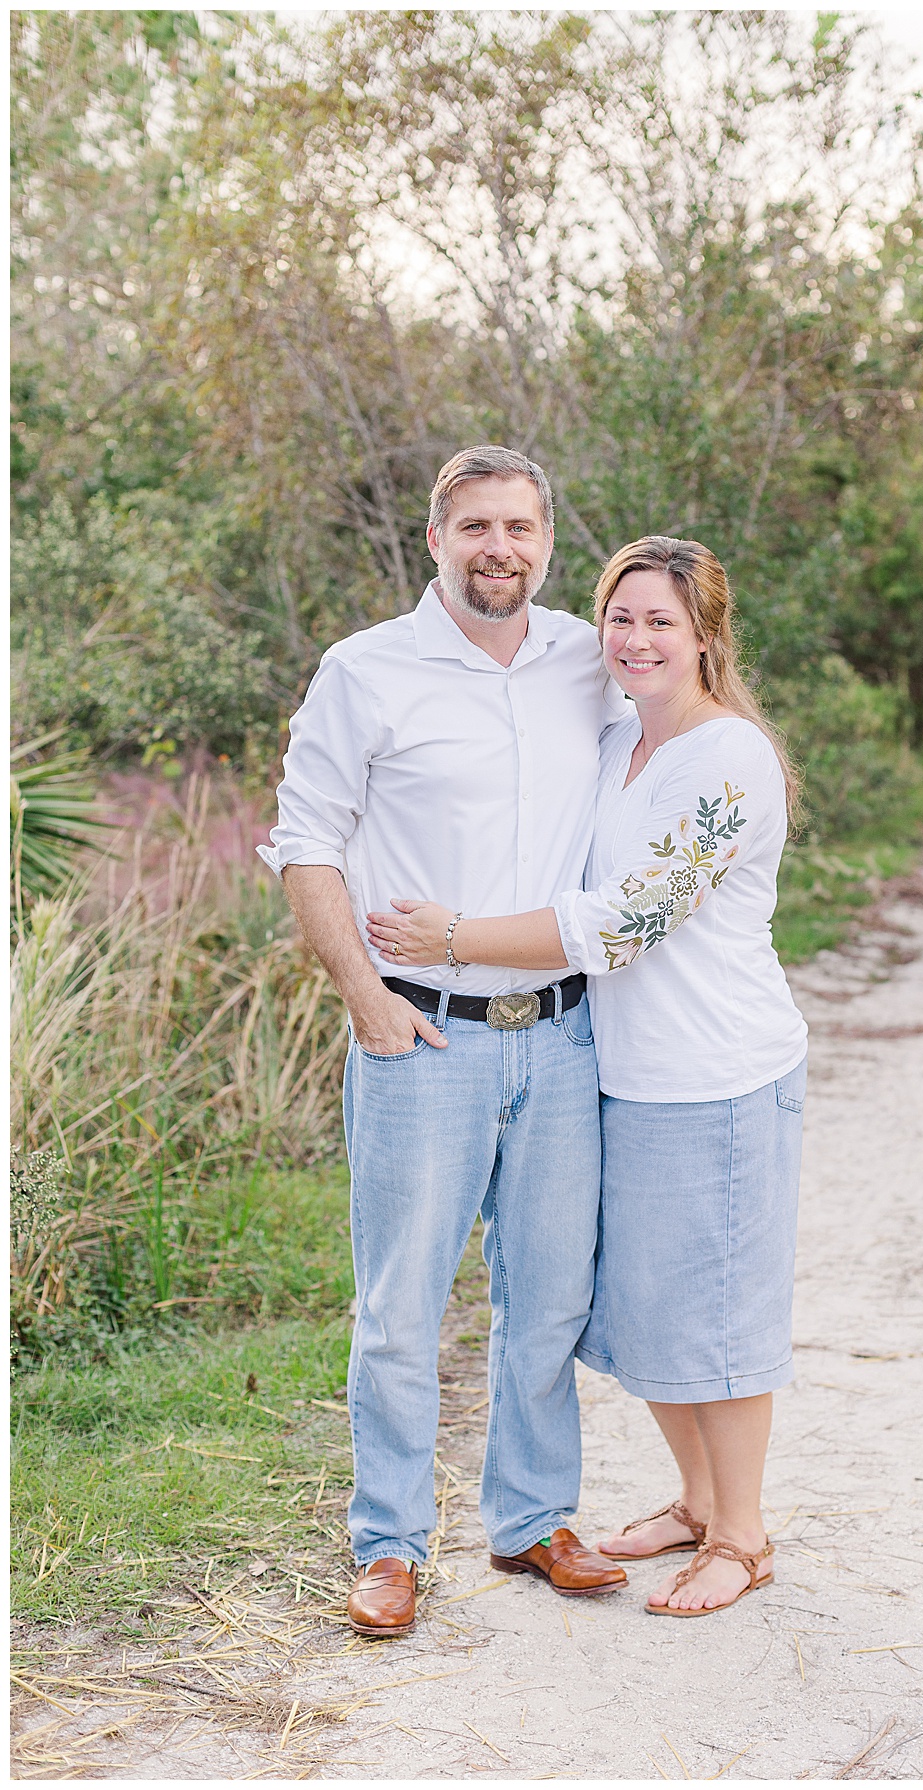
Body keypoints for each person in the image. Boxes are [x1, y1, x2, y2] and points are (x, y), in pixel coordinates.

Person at [369, 535, 809, 1617]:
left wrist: (455, 935)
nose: (637, 638)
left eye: (662, 620)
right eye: (621, 617)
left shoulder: (731, 757)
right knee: (642, 1304)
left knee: (719, 1308)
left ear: (706, 633)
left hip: (720, 1071)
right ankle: (699, 1501)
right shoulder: (619, 739)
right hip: (623, 1069)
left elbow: (630, 920)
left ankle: (744, 1536)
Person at [258, 445, 630, 1639]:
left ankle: (530, 1520)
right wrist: (364, 996)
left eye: (519, 527)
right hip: (422, 1033)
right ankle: (389, 1541)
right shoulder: (366, 670)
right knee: (401, 1301)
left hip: (565, 1036)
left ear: (548, 538)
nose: (499, 549)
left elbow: (674, 741)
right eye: (476, 526)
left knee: (548, 1299)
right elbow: (305, 843)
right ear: (435, 538)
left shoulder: (591, 657)